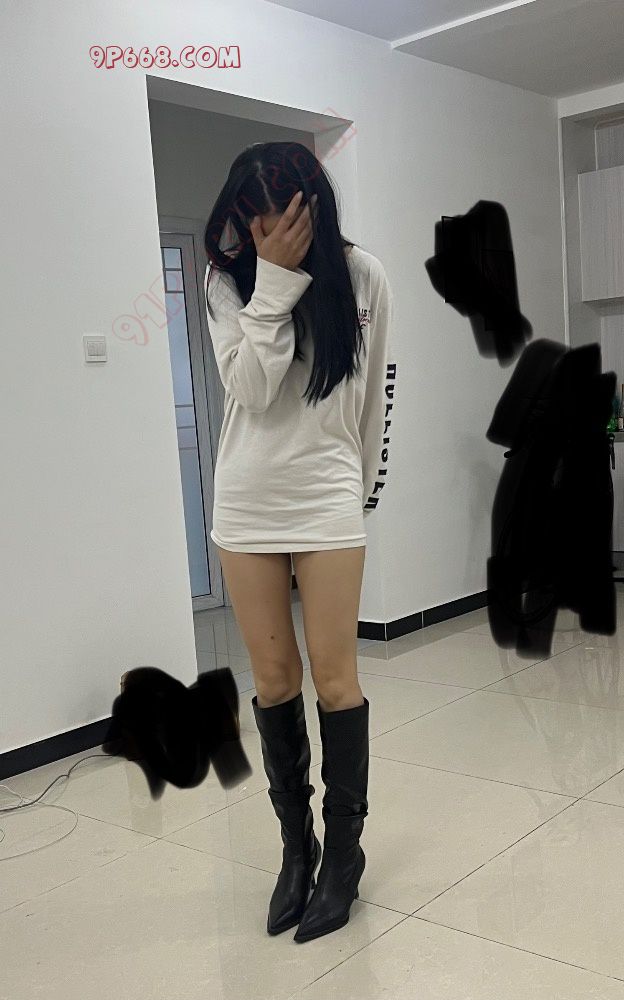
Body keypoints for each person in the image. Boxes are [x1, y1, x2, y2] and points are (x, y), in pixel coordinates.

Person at [202, 141, 396, 943]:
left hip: (326, 498)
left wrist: (359, 494)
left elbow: (375, 394)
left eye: (275, 214)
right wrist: (274, 284)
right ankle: (297, 851)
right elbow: (250, 389)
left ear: (310, 206)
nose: (260, 231)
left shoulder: (362, 276)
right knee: (274, 679)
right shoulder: (227, 280)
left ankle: (343, 858)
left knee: (336, 678)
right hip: (247, 500)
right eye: (249, 217)